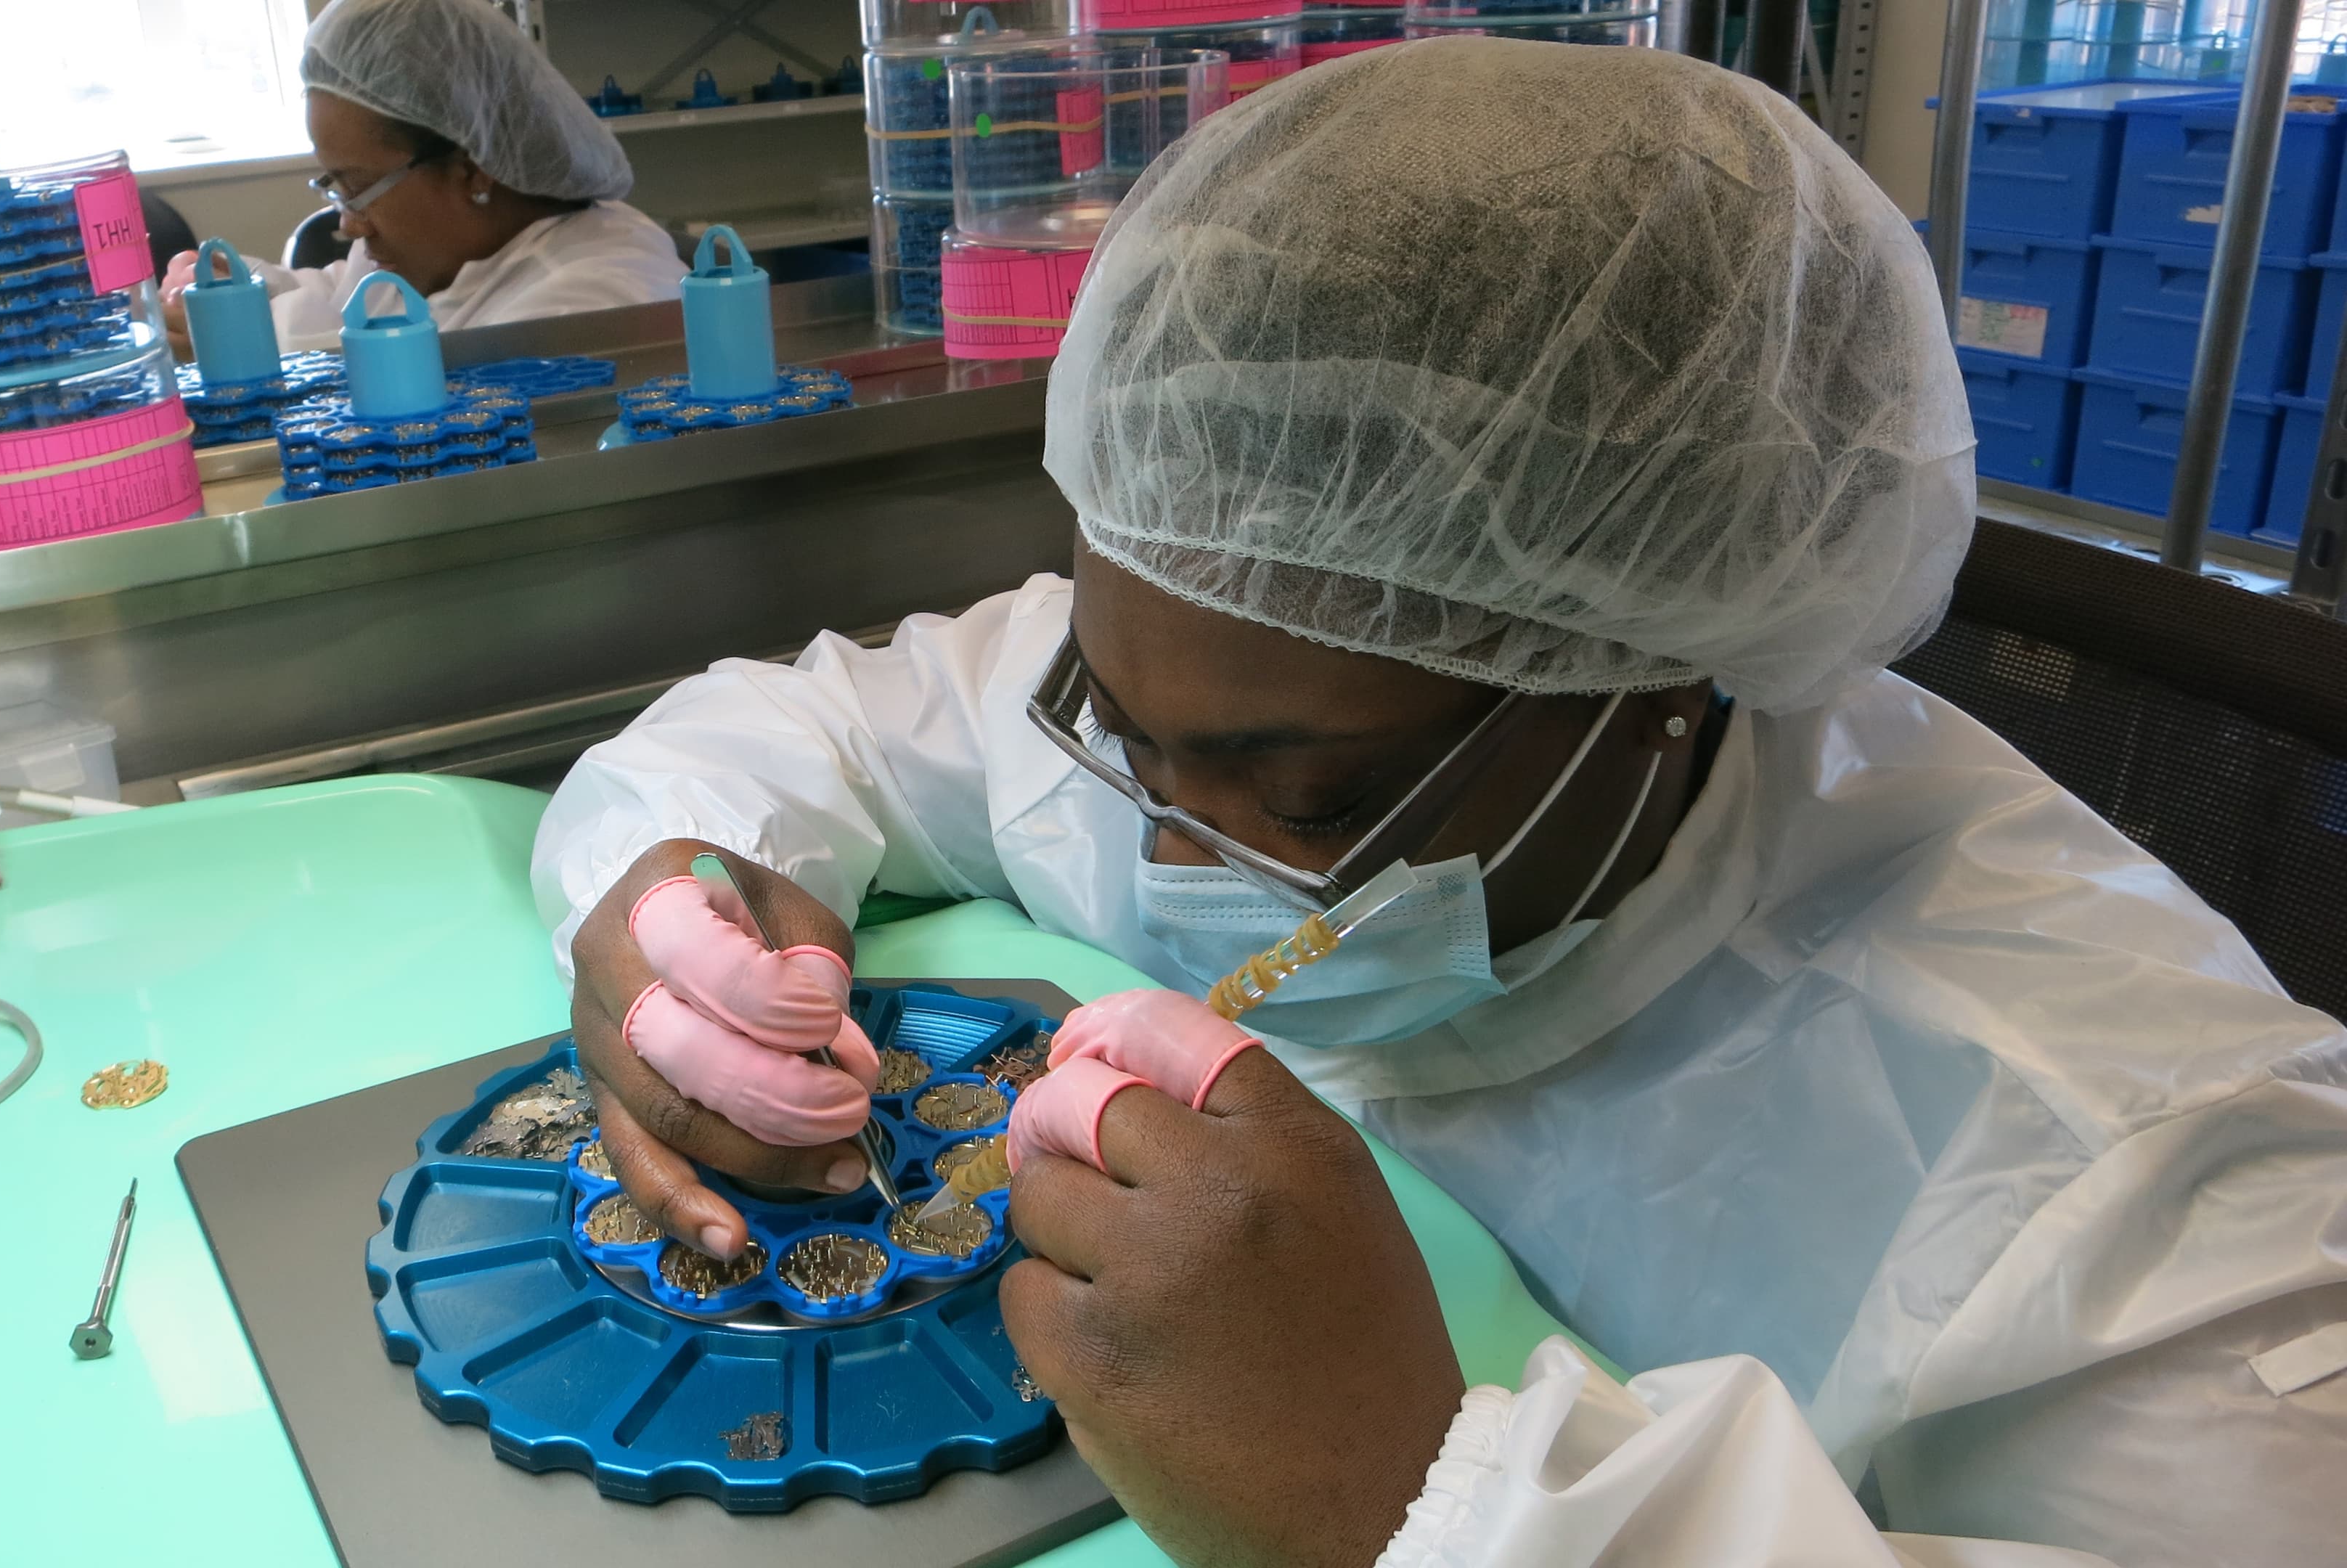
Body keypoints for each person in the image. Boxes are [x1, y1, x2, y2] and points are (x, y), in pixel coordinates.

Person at [531, 38, 2347, 1568]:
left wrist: (1421, 1500)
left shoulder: (2159, 1212)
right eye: (1114, 723)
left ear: (1657, 690)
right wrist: (686, 902)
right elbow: (818, 727)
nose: (1159, 845)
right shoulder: (1194, 691)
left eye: (1301, 791)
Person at [160, 0, 684, 357]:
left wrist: (240, 339)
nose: (349, 224)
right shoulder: (430, 247)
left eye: (358, 186)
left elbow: (420, 387)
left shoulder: (595, 299)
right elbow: (347, 296)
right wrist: (246, 290)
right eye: (337, 187)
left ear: (472, 167)